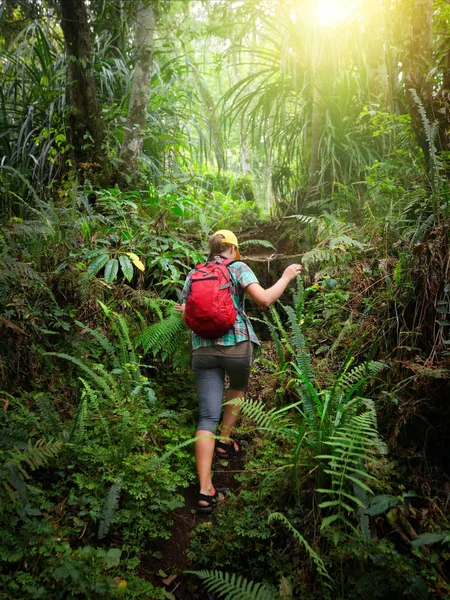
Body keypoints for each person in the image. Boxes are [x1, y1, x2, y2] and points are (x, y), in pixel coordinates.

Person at [175, 229, 302, 514]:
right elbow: (265, 300)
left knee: (206, 416)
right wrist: (286, 276)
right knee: (239, 386)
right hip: (237, 346)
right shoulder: (238, 267)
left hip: (202, 350)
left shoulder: (194, 273)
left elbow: (185, 315)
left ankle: (205, 490)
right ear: (232, 248)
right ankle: (225, 439)